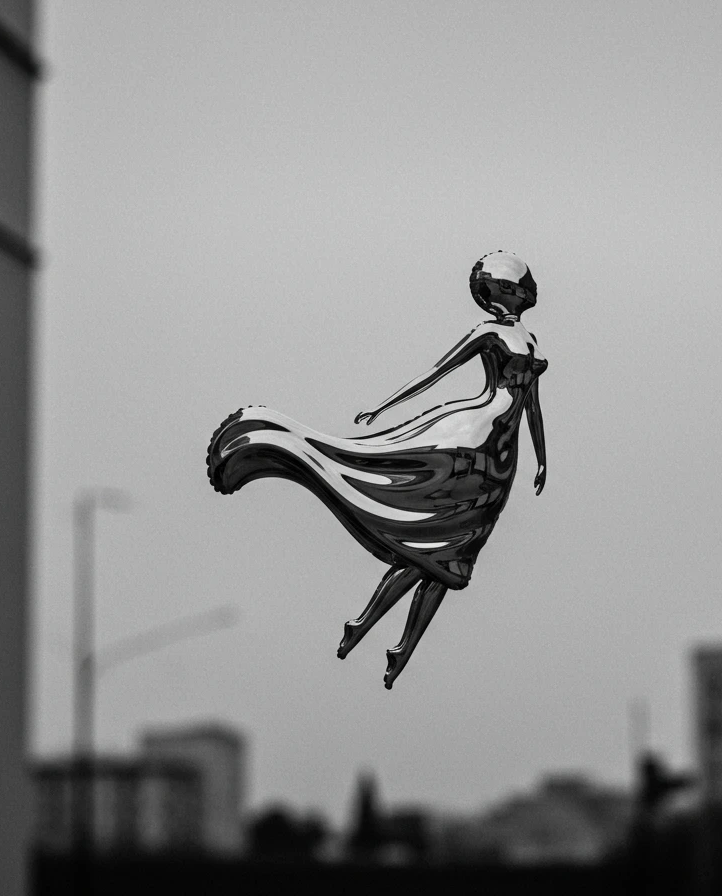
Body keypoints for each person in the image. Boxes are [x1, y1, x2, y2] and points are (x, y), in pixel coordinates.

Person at [207, 251, 548, 688]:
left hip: (503, 455)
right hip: (471, 437)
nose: (517, 295)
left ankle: (395, 643)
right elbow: (435, 374)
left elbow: (533, 406)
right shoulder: (487, 332)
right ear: (497, 292)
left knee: (452, 555)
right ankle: (369, 625)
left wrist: (541, 458)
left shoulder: (531, 339)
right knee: (432, 542)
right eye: (510, 287)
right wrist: (383, 408)